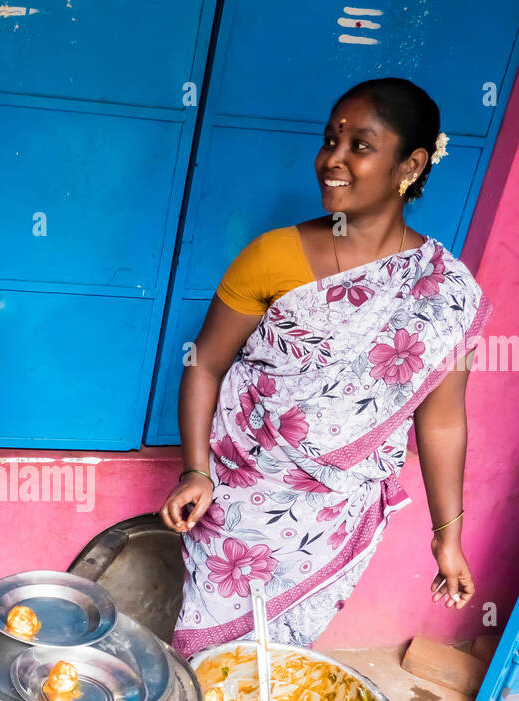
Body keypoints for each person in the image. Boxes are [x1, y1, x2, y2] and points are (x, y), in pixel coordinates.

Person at [162, 78, 490, 654]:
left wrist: (448, 538)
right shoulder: (272, 255)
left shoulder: (443, 291)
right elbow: (205, 366)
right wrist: (196, 472)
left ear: (410, 165)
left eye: (359, 146)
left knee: (280, 660)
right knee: (206, 650)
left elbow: (441, 421)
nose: (331, 160)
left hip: (333, 514)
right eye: (329, 141)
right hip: (240, 495)